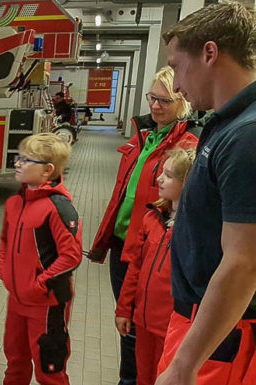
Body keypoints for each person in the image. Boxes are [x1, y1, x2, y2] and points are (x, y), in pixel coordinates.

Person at [156, 3, 256, 385]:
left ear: (209, 53)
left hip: (221, 339)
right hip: (204, 325)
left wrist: (185, 364)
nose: (176, 84)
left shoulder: (246, 136)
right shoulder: (227, 124)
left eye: (178, 66)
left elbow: (243, 264)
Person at [87, 66, 199, 385]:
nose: (155, 106)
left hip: (150, 247)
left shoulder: (186, 146)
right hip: (123, 242)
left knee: (141, 325)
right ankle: (130, 377)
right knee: (127, 322)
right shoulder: (145, 137)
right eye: (152, 98)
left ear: (183, 103)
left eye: (164, 100)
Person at [0, 133, 82, 385]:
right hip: (17, 299)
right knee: (15, 360)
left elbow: (71, 256)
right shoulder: (15, 202)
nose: (17, 163)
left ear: (47, 170)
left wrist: (40, 283)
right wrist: (6, 274)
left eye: (26, 160)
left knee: (49, 368)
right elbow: (4, 241)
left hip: (46, 304)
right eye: (18, 157)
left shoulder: (58, 207)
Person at [115, 148, 196, 385]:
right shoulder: (153, 217)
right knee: (143, 375)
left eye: (169, 175)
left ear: (188, 183)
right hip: (143, 320)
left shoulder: (196, 229)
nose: (159, 178)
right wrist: (124, 308)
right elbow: (136, 268)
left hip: (173, 327)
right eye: (162, 172)